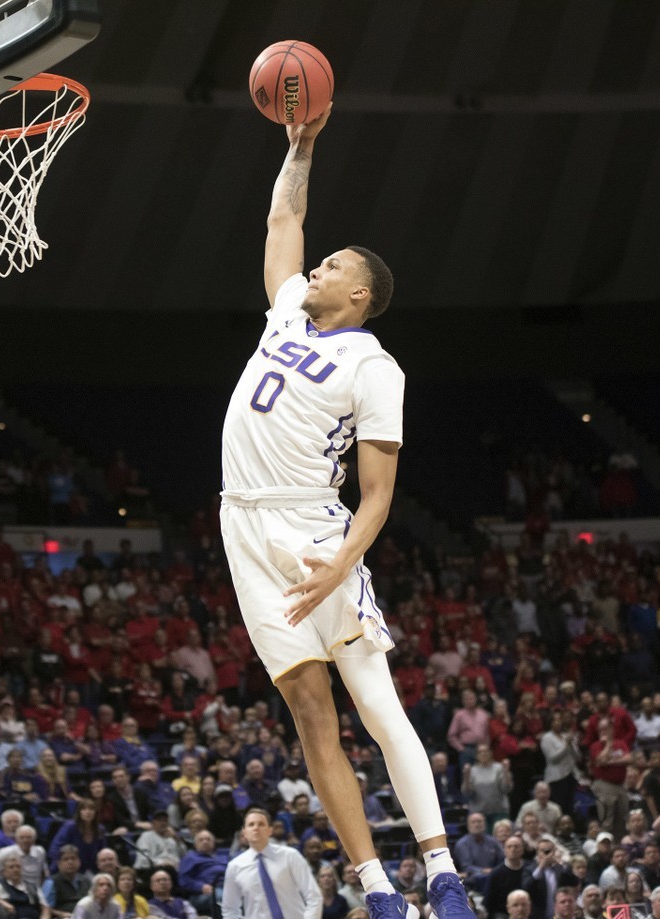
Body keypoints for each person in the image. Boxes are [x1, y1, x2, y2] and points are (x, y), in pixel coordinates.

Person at [218, 103, 470, 919]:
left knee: (374, 697)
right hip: (241, 525)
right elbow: (285, 215)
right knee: (307, 708)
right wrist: (302, 147)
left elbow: (379, 493)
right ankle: (379, 887)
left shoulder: (375, 364)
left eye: (330, 265)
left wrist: (344, 560)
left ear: (358, 292)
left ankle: (443, 872)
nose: (314, 267)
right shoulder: (287, 311)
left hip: (312, 528)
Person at [220, 809, 322, 919]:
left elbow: (313, 895)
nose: (256, 828)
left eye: (261, 824)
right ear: (244, 832)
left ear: (270, 830)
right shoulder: (235, 866)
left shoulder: (290, 856)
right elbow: (229, 909)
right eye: (251, 824)